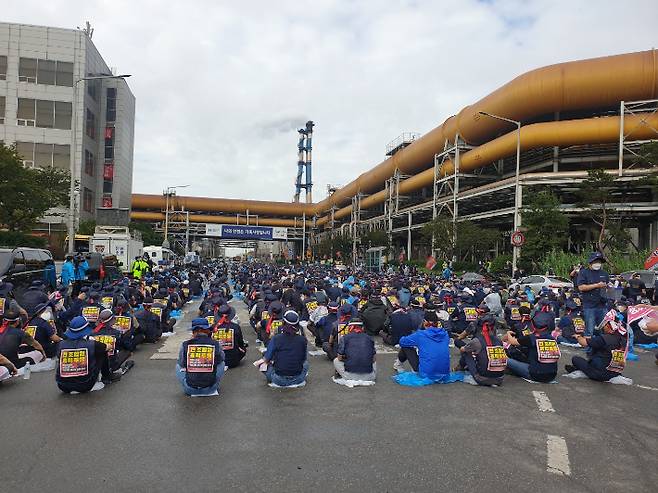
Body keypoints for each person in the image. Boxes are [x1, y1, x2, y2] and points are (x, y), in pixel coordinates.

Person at [56, 316, 119, 394]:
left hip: (63, 386)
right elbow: (109, 347)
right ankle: (107, 376)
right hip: (85, 385)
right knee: (102, 352)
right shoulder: (92, 344)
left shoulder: (61, 344)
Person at [565, 311, 629, 382]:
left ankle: (580, 369)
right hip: (615, 373)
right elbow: (594, 341)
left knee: (575, 359)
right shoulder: (622, 338)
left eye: (605, 325)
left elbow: (583, 343)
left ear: (608, 326)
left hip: (600, 374)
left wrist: (578, 337)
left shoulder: (604, 339)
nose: (604, 327)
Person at [504, 312, 560, 383]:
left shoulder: (532, 338)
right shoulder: (552, 339)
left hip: (535, 374)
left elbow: (512, 341)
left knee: (506, 360)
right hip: (552, 375)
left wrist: (508, 333)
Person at [176, 318, 225, 396]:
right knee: (222, 363)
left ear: (194, 331)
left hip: (189, 389)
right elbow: (222, 358)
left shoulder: (185, 344)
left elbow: (182, 364)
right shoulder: (215, 344)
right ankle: (212, 383)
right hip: (210, 389)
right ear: (207, 330)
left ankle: (190, 383)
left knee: (178, 365)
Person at [393, 311, 450, 378]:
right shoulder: (445, 334)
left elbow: (402, 342)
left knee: (406, 346)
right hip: (445, 372)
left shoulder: (421, 334)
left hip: (426, 373)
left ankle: (398, 364)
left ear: (424, 322)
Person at [455, 313, 506, 386]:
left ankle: (459, 368)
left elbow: (462, 349)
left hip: (482, 379)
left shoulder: (477, 339)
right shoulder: (499, 341)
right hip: (499, 379)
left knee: (466, 352)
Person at [261, 310, 308, 387]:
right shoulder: (303, 339)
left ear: (283, 322)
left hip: (278, 380)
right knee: (306, 363)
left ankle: (272, 378)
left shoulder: (276, 339)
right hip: (298, 378)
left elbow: (267, 358)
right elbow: (304, 359)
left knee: (263, 362)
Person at [576, 252, 610, 337]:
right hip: (589, 305)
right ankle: (589, 347)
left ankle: (602, 347)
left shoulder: (604, 273)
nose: (598, 264)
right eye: (596, 261)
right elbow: (581, 287)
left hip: (602, 305)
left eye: (599, 261)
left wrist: (610, 287)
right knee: (589, 329)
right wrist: (597, 285)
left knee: (604, 328)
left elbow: (608, 287)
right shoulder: (583, 273)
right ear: (590, 262)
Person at [212, 304, 247, 368]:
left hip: (217, 361)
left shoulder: (213, 328)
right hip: (233, 361)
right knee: (244, 348)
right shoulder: (236, 327)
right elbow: (240, 343)